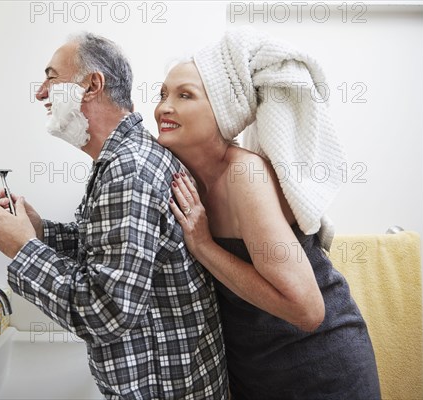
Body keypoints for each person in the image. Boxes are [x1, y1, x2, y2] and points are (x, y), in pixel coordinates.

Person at [0, 32, 227, 399]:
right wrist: (40, 232)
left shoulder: (129, 170)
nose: (40, 92)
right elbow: (104, 249)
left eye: (51, 77)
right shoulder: (123, 159)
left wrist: (23, 250)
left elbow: (106, 311)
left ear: (91, 85)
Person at [154, 28, 381, 399]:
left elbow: (307, 309)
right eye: (162, 94)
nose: (164, 106)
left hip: (321, 370)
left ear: (222, 110)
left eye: (184, 95)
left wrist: (204, 245)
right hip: (255, 374)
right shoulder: (186, 177)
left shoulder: (245, 175)